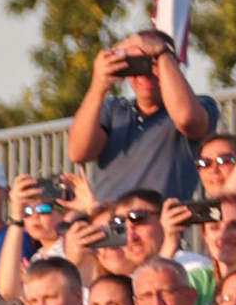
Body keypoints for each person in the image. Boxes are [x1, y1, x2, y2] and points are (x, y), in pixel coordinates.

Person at [67, 29, 219, 203]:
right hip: (110, 217)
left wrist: (162, 52)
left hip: (160, 218)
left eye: (152, 61)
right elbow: (77, 152)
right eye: (137, 63)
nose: (145, 73)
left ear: (174, 64)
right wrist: (98, 86)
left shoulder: (200, 105)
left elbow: (187, 119)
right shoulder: (113, 110)